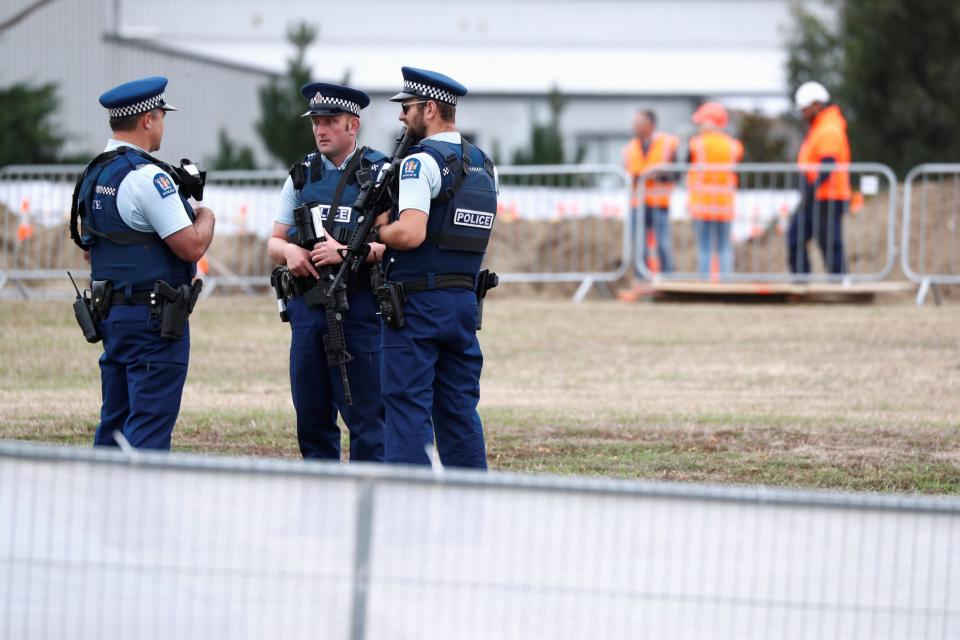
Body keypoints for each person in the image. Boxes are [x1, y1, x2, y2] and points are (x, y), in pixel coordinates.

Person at [72, 76, 215, 450]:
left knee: (115, 423)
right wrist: (207, 216)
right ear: (148, 119)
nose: (163, 125)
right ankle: (138, 507)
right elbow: (191, 246)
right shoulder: (146, 177)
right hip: (153, 321)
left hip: (113, 316)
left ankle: (103, 502)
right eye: (162, 117)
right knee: (148, 429)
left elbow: (90, 250)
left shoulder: (95, 173)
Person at [373, 67, 498, 469]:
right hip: (462, 301)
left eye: (406, 107)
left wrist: (380, 227)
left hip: (417, 305)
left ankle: (407, 508)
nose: (400, 116)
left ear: (429, 109)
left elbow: (410, 234)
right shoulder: (483, 164)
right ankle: (470, 502)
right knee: (459, 411)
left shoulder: (419, 163)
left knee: (407, 408)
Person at [266, 82, 388, 462]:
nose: (320, 129)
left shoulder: (380, 173)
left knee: (367, 414)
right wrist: (289, 252)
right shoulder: (301, 174)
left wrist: (347, 252)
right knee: (311, 410)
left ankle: (369, 499)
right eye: (316, 121)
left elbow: (394, 243)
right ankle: (321, 496)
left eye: (330, 121)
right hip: (308, 308)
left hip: (360, 308)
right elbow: (273, 241)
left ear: (353, 125)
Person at [788, 81, 851, 275]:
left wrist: (811, 188)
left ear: (816, 105)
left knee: (830, 243)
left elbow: (828, 163)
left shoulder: (829, 128)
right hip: (816, 195)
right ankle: (801, 283)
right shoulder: (819, 127)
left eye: (805, 109)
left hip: (828, 196)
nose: (803, 114)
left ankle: (839, 283)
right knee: (796, 237)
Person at [686, 102, 744, 279]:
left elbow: (687, 163)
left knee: (704, 247)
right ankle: (726, 283)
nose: (699, 127)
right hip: (725, 206)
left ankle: (704, 283)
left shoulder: (697, 144)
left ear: (710, 122)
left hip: (703, 205)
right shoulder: (734, 146)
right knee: (724, 247)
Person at [622, 110, 679, 276]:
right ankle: (642, 278)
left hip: (658, 203)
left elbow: (676, 173)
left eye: (639, 123)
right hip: (637, 203)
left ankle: (668, 277)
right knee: (639, 244)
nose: (635, 127)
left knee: (662, 243)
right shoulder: (629, 148)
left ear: (650, 125)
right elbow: (626, 172)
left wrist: (659, 174)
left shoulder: (668, 144)